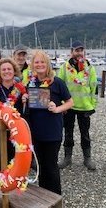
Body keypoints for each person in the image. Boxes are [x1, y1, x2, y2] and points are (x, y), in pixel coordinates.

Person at [22, 50, 73, 194]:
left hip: (52, 131)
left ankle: (56, 197)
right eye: (36, 62)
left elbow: (70, 102)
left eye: (42, 62)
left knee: (51, 166)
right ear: (32, 65)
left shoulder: (57, 82)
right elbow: (28, 106)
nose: (39, 65)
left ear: (48, 64)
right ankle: (43, 195)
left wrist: (57, 109)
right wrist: (25, 98)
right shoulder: (30, 83)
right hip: (35, 131)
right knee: (41, 166)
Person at [57, 40, 98, 170]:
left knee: (85, 133)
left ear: (83, 52)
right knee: (68, 132)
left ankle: (87, 158)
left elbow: (94, 88)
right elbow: (59, 86)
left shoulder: (90, 67)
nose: (79, 53)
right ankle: (67, 158)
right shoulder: (64, 67)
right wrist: (62, 105)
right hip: (69, 107)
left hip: (85, 107)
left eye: (81, 50)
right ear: (71, 52)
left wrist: (93, 105)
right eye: (76, 50)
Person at [0, 58, 26, 171]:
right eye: (4, 69)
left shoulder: (21, 90)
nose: (7, 71)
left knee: (15, 159)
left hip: (16, 132)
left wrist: (26, 100)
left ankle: (13, 184)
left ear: (14, 71)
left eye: (9, 69)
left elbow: (26, 112)